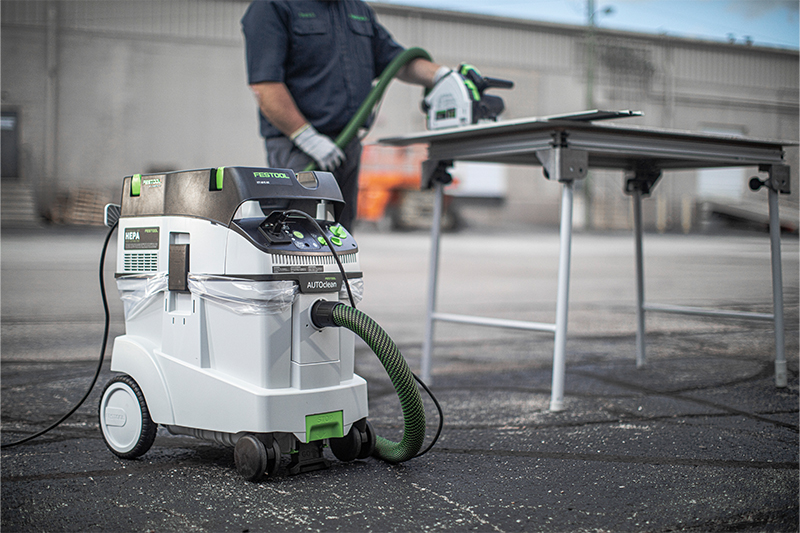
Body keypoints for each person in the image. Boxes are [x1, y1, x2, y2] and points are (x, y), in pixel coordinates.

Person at [241, 0, 448, 230]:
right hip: (299, 149)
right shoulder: (273, 6)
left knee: (341, 235)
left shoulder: (356, 9)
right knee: (297, 235)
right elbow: (265, 86)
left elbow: (397, 61)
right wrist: (306, 137)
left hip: (347, 145)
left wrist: (444, 75)